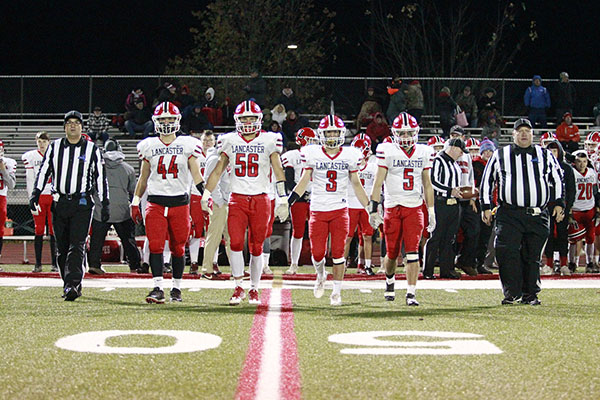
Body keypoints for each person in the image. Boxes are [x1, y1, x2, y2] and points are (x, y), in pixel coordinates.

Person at [202, 100, 287, 305]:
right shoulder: (229, 140)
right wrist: (206, 193)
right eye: (244, 118)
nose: (248, 122)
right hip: (237, 198)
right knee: (236, 243)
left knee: (257, 246)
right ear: (237, 120)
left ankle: (254, 288)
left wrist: (282, 196)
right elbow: (218, 170)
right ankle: (239, 285)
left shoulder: (270, 139)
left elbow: (277, 169)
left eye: (251, 118)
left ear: (259, 120)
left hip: (260, 198)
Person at [480, 118, 565, 305]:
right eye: (520, 131)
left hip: (537, 213)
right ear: (513, 134)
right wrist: (485, 207)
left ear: (532, 134)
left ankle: (530, 294)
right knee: (506, 252)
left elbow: (558, 178)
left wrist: (559, 202)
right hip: (509, 213)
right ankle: (512, 293)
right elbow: (487, 181)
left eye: (527, 130)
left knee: (532, 256)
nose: (524, 133)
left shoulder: (545, 155)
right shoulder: (500, 154)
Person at [288, 115, 369, 306]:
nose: (332, 135)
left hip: (340, 209)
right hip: (317, 209)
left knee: (339, 253)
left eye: (335, 132)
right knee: (317, 253)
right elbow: (303, 180)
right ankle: (321, 275)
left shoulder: (349, 155)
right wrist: (289, 201)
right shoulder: (312, 153)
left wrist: (370, 207)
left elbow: (356, 184)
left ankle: (337, 292)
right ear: (321, 134)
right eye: (329, 132)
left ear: (341, 134)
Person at [130, 102, 206, 304]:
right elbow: (143, 178)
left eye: (169, 119)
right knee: (155, 245)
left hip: (179, 203)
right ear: (155, 122)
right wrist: (135, 200)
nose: (166, 123)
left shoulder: (188, 144)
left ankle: (177, 288)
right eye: (162, 120)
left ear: (177, 121)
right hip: (155, 202)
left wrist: (206, 195)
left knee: (178, 248)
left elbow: (196, 176)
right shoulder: (149, 146)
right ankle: (157, 287)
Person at [30, 110, 109, 300]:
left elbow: (100, 177)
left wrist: (105, 202)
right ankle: (69, 282)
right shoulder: (54, 147)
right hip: (60, 202)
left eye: (76, 122)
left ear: (82, 127)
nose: (73, 125)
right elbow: (44, 170)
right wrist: (36, 193)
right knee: (62, 247)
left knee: (77, 244)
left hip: (82, 202)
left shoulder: (92, 150)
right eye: (69, 122)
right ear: (65, 127)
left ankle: (73, 284)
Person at [369, 112, 435, 305]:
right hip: (392, 207)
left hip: (414, 207)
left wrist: (431, 211)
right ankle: (389, 282)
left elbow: (427, 184)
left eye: (409, 133)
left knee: (413, 252)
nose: (405, 137)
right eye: (402, 133)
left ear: (415, 133)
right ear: (395, 133)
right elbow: (378, 182)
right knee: (391, 253)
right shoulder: (387, 150)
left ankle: (411, 292)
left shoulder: (424, 152)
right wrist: (374, 209)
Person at [87, 139, 141, 274]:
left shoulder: (97, 168)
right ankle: (134, 265)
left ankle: (94, 264)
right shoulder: (128, 169)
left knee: (97, 240)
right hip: (122, 210)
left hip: (101, 209)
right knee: (128, 240)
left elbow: (91, 189)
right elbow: (133, 190)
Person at [422, 138, 466, 279]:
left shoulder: (454, 163)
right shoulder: (438, 160)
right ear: (453, 147)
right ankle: (428, 270)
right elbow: (431, 182)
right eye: (460, 151)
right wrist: (449, 191)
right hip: (441, 203)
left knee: (450, 238)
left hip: (454, 204)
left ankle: (446, 270)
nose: (461, 154)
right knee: (436, 237)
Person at [281, 127, 318, 274]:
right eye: (311, 140)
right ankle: (294, 264)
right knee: (297, 231)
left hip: (316, 197)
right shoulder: (292, 156)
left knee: (317, 233)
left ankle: (318, 266)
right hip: (299, 198)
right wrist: (302, 195)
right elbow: (289, 181)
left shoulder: (318, 155)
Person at [22, 131, 57, 273]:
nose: (42, 144)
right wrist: (32, 198)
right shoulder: (31, 157)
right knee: (39, 230)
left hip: (53, 195)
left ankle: (55, 263)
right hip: (40, 196)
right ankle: (38, 263)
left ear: (49, 142)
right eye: (39, 142)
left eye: (44, 141)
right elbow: (30, 179)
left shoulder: (55, 155)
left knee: (54, 231)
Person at [447, 126, 479, 276]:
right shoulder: (444, 153)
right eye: (453, 135)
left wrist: (472, 197)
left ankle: (465, 261)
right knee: (451, 232)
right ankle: (448, 264)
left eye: (458, 135)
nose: (455, 137)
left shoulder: (465, 155)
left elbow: (470, 175)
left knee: (474, 230)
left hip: (465, 198)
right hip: (451, 197)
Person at [539, 140, 575, 276]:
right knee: (547, 235)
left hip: (561, 207)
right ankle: (548, 264)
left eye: (555, 150)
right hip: (547, 207)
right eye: (550, 151)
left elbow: (571, 190)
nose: (553, 153)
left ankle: (564, 264)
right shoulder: (541, 167)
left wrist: (566, 208)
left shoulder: (566, 168)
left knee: (562, 235)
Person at [345, 134, 378, 275]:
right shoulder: (348, 165)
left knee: (367, 236)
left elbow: (377, 186)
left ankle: (367, 265)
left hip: (366, 205)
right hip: (351, 203)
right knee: (347, 237)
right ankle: (342, 264)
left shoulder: (372, 167)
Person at [200, 135, 231, 277]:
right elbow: (210, 181)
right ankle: (207, 269)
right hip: (220, 203)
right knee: (214, 236)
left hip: (225, 201)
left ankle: (236, 268)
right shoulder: (215, 158)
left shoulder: (223, 157)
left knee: (231, 237)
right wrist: (220, 201)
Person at [567, 150, 599, 274]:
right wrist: (568, 210)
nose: (582, 164)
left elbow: (596, 192)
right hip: (576, 209)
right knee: (573, 239)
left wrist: (597, 209)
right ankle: (572, 262)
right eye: (579, 161)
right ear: (574, 162)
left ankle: (590, 262)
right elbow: (568, 192)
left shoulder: (592, 173)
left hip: (589, 208)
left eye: (584, 161)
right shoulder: (571, 173)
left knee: (590, 237)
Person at [188, 131, 214, 275]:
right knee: (196, 231)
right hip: (196, 196)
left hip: (212, 197)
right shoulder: (195, 155)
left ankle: (212, 262)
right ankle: (193, 262)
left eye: (210, 140)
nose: (207, 143)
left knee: (213, 231)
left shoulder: (217, 156)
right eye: (205, 140)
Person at [472, 139, 496, 274]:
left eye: (490, 151)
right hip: (477, 203)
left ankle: (480, 262)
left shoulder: (496, 165)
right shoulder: (476, 165)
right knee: (476, 233)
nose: (487, 153)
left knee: (486, 235)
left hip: (492, 203)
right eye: (485, 151)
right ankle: (471, 261)